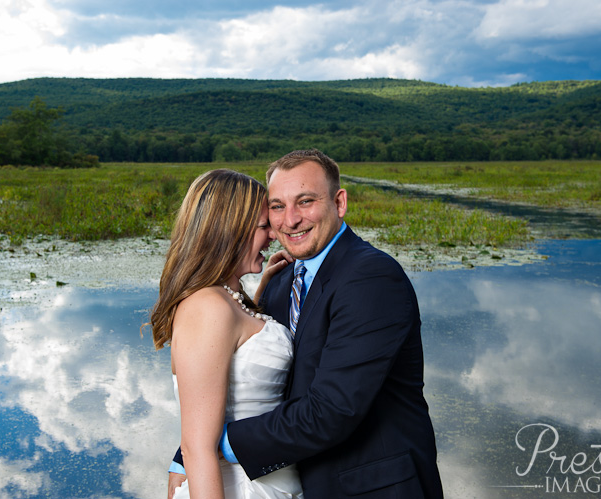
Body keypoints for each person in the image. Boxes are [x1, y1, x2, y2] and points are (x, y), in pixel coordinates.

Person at [169, 149, 443, 498]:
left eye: (306, 201)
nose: (289, 220)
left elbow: (332, 409)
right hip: (287, 482)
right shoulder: (282, 281)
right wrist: (193, 450)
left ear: (339, 202)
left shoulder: (372, 276)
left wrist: (207, 445)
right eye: (277, 207)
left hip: (369, 487)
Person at [151, 169, 303, 498]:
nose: (273, 235)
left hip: (271, 478)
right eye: (264, 226)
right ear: (231, 230)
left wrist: (260, 297)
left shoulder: (226, 301)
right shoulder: (208, 307)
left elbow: (243, 353)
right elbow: (197, 449)